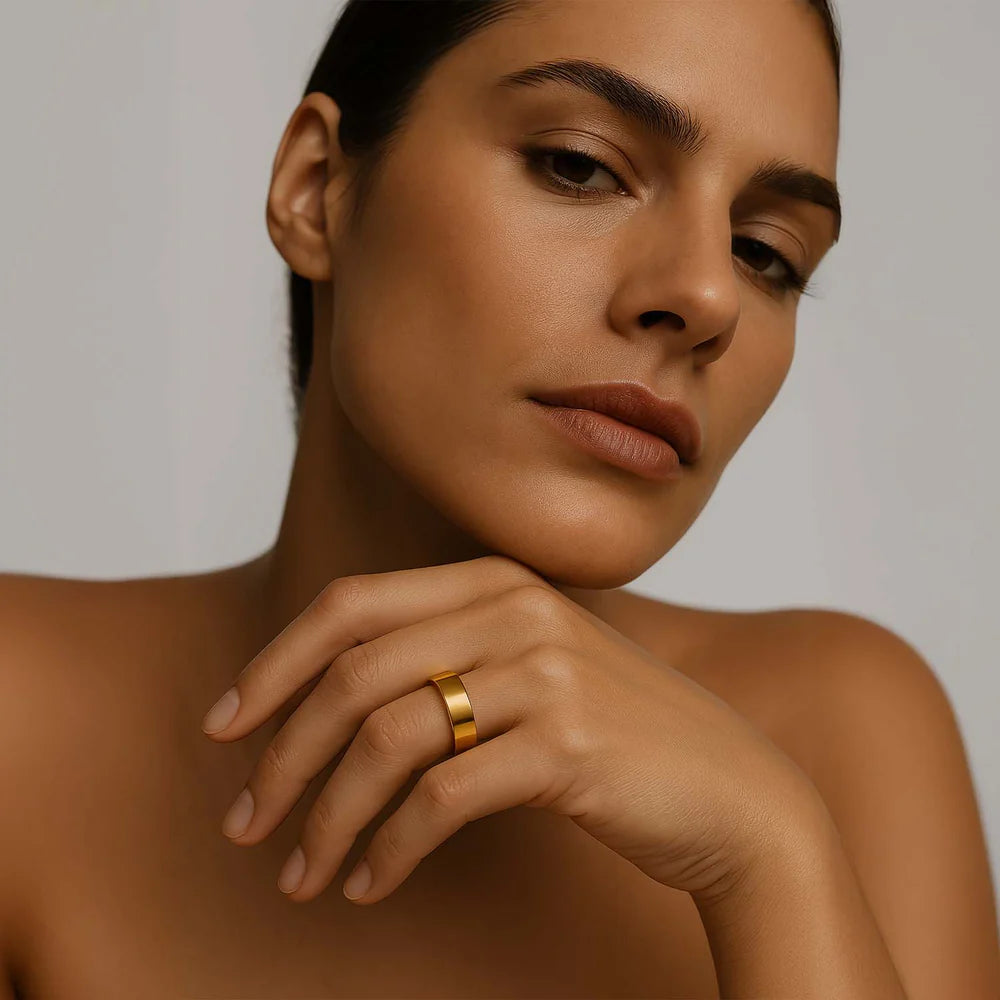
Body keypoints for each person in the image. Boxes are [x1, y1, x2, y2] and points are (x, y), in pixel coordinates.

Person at [1, 1, 997, 997]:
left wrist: (772, 858)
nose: (706, 296)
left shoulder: (840, 734)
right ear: (316, 191)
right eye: (579, 163)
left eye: (764, 251)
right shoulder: (26, 717)